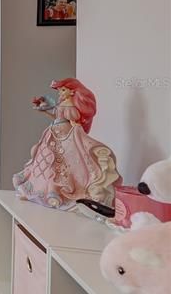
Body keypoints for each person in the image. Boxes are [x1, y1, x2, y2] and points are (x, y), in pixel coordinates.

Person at [13, 78, 122, 209]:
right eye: (60, 91)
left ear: (72, 92)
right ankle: (37, 185)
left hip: (63, 134)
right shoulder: (62, 104)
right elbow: (57, 118)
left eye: (63, 90)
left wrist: (68, 108)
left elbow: (73, 118)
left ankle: (56, 188)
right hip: (53, 132)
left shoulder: (69, 105)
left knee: (59, 160)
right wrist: (45, 111)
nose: (60, 93)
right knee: (43, 155)